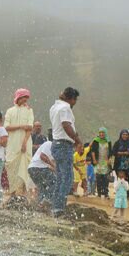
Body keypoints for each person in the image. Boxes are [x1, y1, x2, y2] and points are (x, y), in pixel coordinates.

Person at [49, 87, 81, 217]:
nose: (74, 103)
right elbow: (66, 125)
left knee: (60, 178)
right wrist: (77, 140)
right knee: (67, 179)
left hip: (56, 144)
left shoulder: (54, 107)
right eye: (75, 100)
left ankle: (55, 207)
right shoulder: (65, 108)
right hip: (63, 145)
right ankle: (59, 208)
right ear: (71, 99)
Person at [4, 89, 34, 199]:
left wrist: (24, 142)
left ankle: (24, 196)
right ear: (18, 97)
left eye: (27, 97)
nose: (25, 99)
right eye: (23, 97)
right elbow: (6, 127)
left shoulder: (29, 111)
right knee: (12, 167)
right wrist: (21, 126)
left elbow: (30, 127)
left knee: (26, 168)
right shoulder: (10, 111)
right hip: (12, 144)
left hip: (25, 143)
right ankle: (12, 195)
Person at [28, 140, 56, 206]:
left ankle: (39, 204)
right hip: (38, 167)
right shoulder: (49, 144)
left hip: (33, 168)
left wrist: (55, 169)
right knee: (55, 182)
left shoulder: (53, 150)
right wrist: (53, 166)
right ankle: (46, 200)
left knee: (42, 188)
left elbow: (50, 165)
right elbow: (42, 156)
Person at [90, 127, 112, 198]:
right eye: (100, 133)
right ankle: (99, 193)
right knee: (98, 178)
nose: (101, 134)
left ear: (105, 133)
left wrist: (109, 159)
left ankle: (106, 193)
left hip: (105, 162)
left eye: (103, 132)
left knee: (106, 178)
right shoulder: (96, 141)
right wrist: (94, 160)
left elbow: (110, 151)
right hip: (98, 162)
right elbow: (93, 151)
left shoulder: (108, 141)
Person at [112, 130, 129, 197]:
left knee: (128, 179)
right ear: (121, 135)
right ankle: (120, 193)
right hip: (119, 164)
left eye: (126, 135)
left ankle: (128, 194)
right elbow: (114, 152)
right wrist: (123, 153)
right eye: (123, 134)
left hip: (128, 164)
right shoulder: (117, 143)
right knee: (120, 179)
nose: (125, 136)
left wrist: (128, 153)